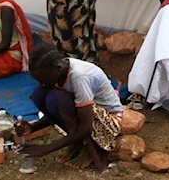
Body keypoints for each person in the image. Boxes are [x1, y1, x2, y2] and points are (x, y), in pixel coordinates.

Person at [19, 43, 123, 171]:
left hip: (108, 120)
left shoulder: (79, 77)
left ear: (57, 68)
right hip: (87, 114)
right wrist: (33, 127)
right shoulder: (58, 70)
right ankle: (76, 142)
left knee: (56, 99)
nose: (42, 84)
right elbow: (56, 112)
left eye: (44, 79)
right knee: (39, 94)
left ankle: (88, 146)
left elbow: (86, 126)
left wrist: (46, 148)